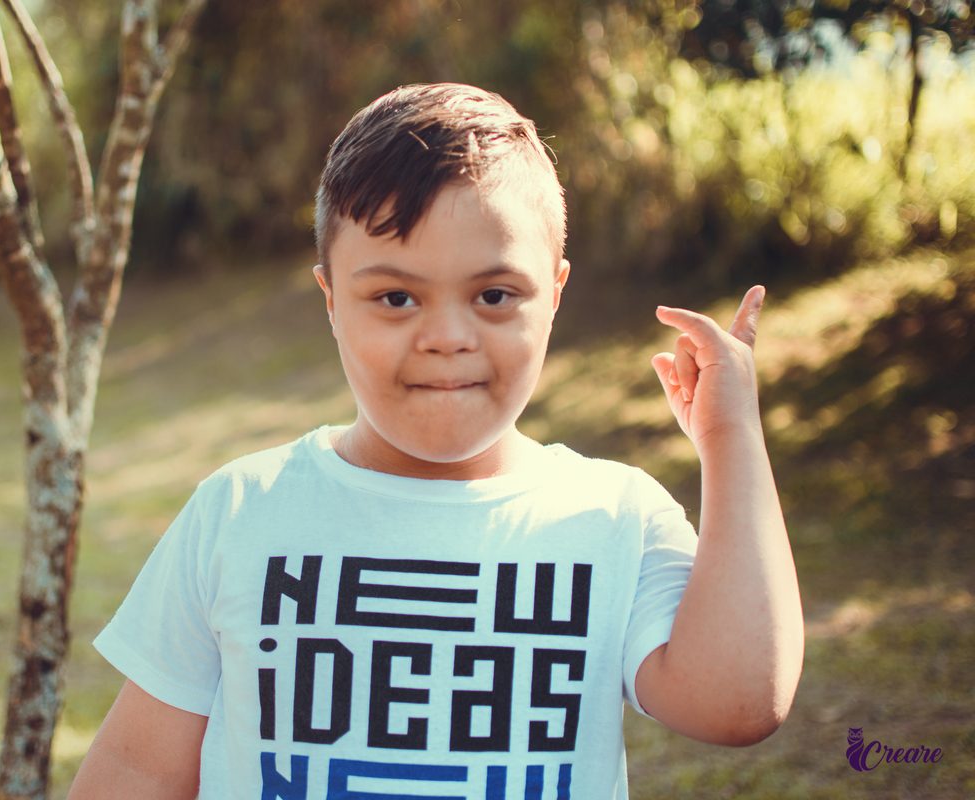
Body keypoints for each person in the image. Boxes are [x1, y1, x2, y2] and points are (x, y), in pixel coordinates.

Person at [68, 83, 803, 799]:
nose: (448, 338)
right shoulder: (239, 512)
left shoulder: (616, 519)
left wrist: (730, 436)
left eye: (493, 295)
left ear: (554, 294)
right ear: (332, 301)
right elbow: (139, 773)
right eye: (395, 298)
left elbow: (737, 702)